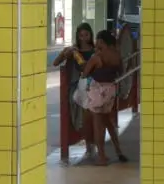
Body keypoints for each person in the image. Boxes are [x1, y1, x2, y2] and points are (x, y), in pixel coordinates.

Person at [53, 23, 99, 160]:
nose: (84, 38)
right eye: (81, 35)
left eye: (86, 35)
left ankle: (92, 143)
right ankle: (89, 144)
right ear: (77, 36)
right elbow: (56, 63)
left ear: (90, 35)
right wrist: (65, 53)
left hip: (94, 85)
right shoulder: (74, 51)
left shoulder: (96, 50)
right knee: (84, 115)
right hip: (78, 86)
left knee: (94, 116)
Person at [84, 30, 128, 165]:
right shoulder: (116, 55)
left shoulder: (97, 57)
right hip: (110, 91)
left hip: (97, 91)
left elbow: (85, 73)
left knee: (98, 126)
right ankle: (119, 151)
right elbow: (121, 71)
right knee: (108, 122)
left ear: (101, 41)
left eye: (98, 41)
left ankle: (102, 157)